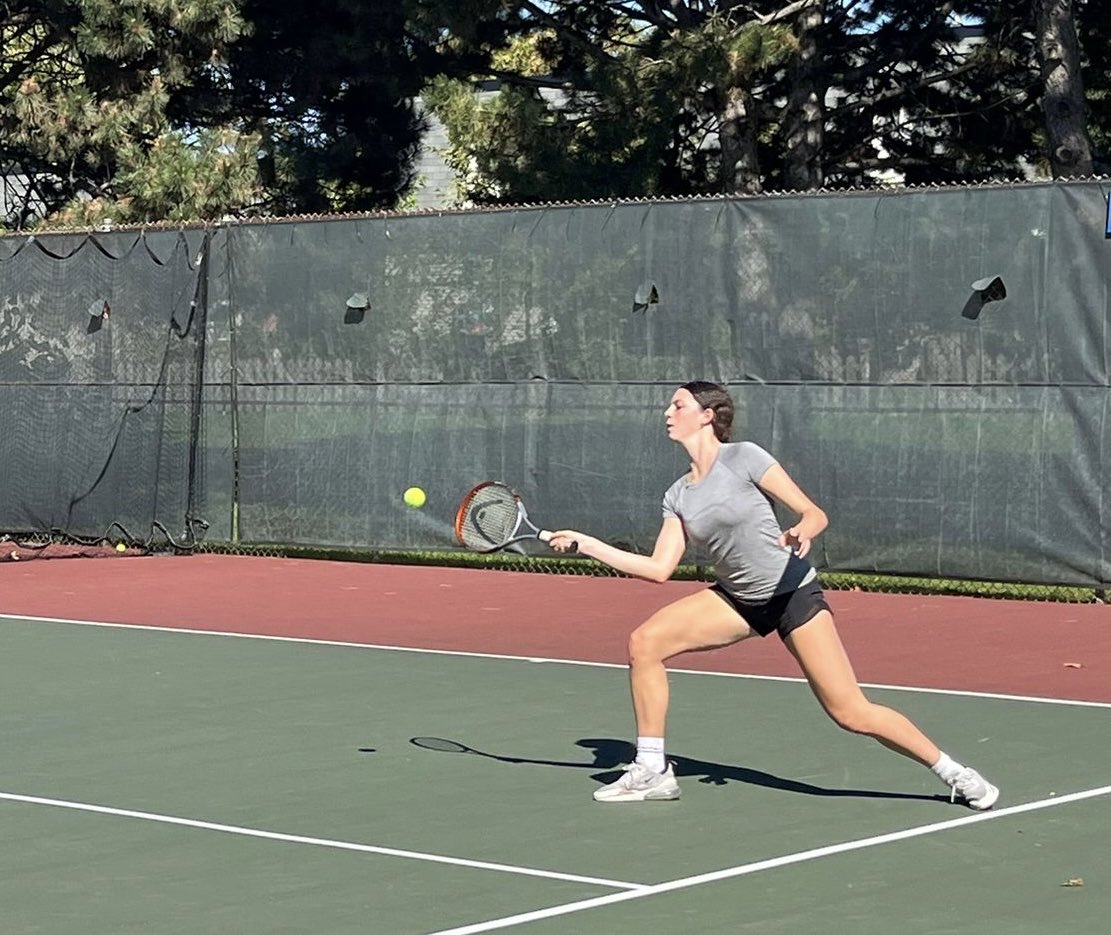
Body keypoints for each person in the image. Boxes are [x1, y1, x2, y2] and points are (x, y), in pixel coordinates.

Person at [548, 381, 1000, 808]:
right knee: (644, 642)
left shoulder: (744, 457)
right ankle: (651, 769)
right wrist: (587, 543)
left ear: (707, 416)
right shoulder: (678, 495)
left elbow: (813, 512)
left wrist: (804, 528)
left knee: (850, 712)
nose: (667, 413)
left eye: (678, 405)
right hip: (738, 600)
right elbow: (659, 569)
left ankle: (953, 772)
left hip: (791, 595)